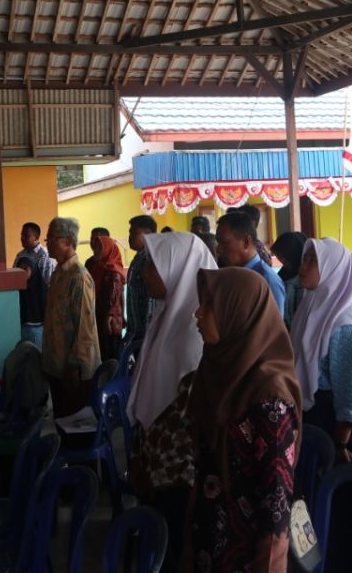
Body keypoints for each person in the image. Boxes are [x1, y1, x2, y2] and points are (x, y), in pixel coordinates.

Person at [186, 267, 302, 572]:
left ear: (238, 311)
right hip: (208, 532)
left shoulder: (270, 398)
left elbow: (275, 504)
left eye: (209, 305)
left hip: (246, 552)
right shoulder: (216, 369)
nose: (198, 314)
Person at [127, 231, 217, 572]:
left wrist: (157, 467)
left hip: (181, 474)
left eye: (154, 265)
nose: (146, 273)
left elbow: (189, 418)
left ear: (177, 268)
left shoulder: (198, 331)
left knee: (178, 547)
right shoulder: (166, 319)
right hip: (156, 464)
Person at [291, 238, 352, 459]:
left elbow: (350, 385)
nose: (303, 267)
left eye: (312, 261)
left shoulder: (345, 322)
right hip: (309, 410)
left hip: (332, 421)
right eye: (304, 259)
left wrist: (341, 440)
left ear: (331, 268)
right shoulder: (310, 305)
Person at [42, 217, 102, 417]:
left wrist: (75, 367)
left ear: (68, 241)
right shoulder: (59, 272)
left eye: (52, 238)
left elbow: (85, 327)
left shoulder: (79, 276)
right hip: (56, 366)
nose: (47, 243)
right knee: (61, 420)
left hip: (73, 370)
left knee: (75, 426)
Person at [215, 211, 286, 316]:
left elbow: (273, 328)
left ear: (246, 242)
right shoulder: (231, 275)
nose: (219, 249)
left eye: (224, 242)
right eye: (218, 242)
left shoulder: (267, 280)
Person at [88, 234, 126, 361]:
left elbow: (114, 298)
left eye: (100, 248)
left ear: (108, 250)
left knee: (110, 353)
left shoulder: (113, 272)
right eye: (96, 248)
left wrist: (110, 316)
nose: (96, 251)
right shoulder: (98, 268)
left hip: (109, 320)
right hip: (99, 315)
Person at [14, 222, 51, 348]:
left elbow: (47, 282)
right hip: (24, 307)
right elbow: (15, 279)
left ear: (36, 237)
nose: (22, 238)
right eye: (22, 235)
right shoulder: (20, 255)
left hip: (38, 309)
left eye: (26, 235)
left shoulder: (44, 255)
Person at [125, 215, 158, 343]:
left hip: (146, 334)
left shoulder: (149, 259)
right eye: (130, 233)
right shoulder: (138, 258)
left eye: (135, 233)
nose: (130, 237)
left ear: (148, 235)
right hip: (136, 332)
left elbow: (152, 300)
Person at [270, 231, 307, 326]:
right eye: (278, 257)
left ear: (294, 254)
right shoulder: (282, 274)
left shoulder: (305, 280)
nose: (281, 260)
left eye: (283, 257)